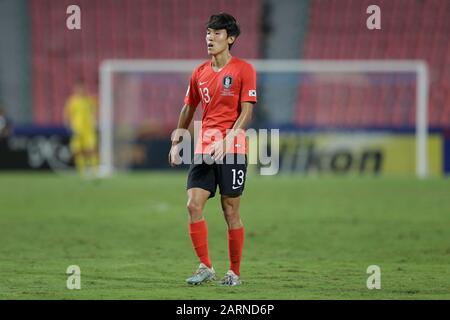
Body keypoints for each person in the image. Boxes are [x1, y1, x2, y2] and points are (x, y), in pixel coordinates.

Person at [168, 13, 257, 286]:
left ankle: (234, 273)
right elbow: (188, 107)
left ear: (230, 39)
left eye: (217, 33)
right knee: (193, 205)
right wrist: (177, 140)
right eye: (208, 32)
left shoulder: (244, 69)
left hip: (232, 148)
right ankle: (205, 266)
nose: (210, 38)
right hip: (205, 148)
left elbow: (247, 112)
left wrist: (228, 140)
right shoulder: (199, 72)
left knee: (230, 211)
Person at [64, 79, 98, 177]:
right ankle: (82, 172)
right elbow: (67, 115)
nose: (81, 90)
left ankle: (94, 171)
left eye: (82, 88)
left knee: (91, 149)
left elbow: (94, 112)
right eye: (79, 88)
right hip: (77, 129)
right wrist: (69, 127)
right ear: (76, 89)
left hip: (89, 130)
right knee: (78, 151)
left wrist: (94, 122)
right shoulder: (72, 101)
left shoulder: (90, 100)